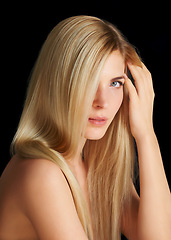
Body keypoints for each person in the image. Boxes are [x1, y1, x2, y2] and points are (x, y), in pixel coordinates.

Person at [0, 15, 170, 240]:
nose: (103, 102)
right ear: (58, 85)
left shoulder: (98, 166)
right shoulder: (40, 172)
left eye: (115, 83)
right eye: (88, 81)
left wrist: (146, 134)